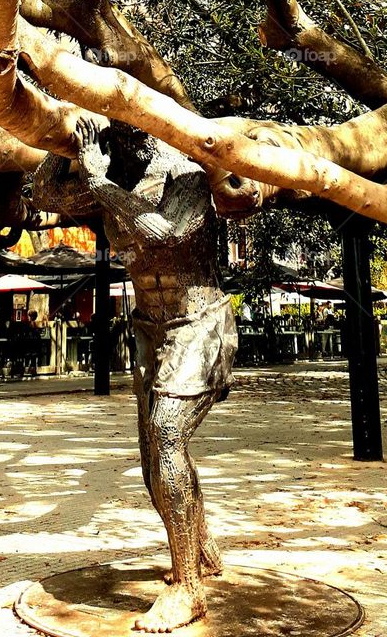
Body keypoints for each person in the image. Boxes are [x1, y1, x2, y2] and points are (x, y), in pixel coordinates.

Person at [34, 120, 238, 631]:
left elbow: (165, 233)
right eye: (113, 136)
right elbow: (42, 192)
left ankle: (187, 588)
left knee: (169, 434)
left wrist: (102, 183)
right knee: (153, 459)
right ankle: (199, 545)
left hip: (199, 323)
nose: (125, 143)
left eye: (130, 133)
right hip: (149, 327)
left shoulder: (183, 173)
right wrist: (66, 148)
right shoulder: (104, 170)